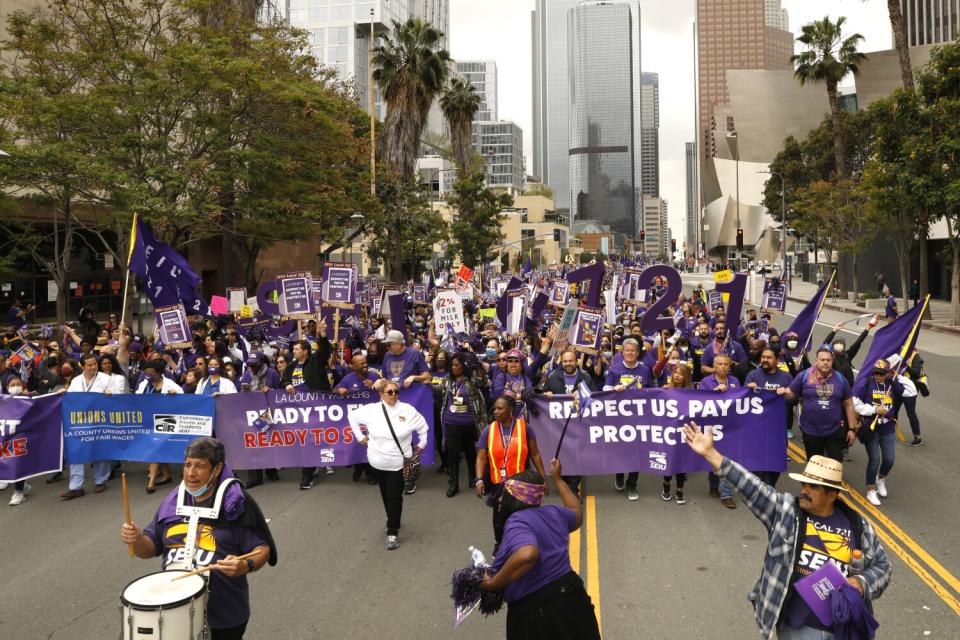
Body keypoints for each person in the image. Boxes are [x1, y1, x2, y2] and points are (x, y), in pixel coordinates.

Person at [682, 422, 891, 640]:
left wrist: (861, 583)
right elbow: (751, 486)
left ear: (832, 495)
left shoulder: (857, 525)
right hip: (798, 628)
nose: (804, 490)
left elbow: (883, 567)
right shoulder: (785, 512)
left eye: (813, 487)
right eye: (804, 484)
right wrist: (711, 454)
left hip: (843, 626)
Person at [119, 437, 276, 640]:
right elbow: (149, 548)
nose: (191, 473)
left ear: (217, 469)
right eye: (187, 465)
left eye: (200, 466)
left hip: (224, 615)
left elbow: (262, 549)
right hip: (174, 609)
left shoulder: (236, 504)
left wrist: (244, 565)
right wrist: (137, 539)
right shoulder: (172, 502)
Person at [478, 461, 601, 640]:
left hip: (537, 612)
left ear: (516, 499)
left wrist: (493, 583)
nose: (499, 499)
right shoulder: (554, 513)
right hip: (573, 598)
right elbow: (576, 511)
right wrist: (558, 479)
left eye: (505, 494)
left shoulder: (517, 521)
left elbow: (528, 554)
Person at [348, 380, 429, 550]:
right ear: (381, 394)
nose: (394, 395)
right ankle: (394, 518)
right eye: (389, 392)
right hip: (376, 461)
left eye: (396, 391)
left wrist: (422, 443)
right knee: (385, 492)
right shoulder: (372, 410)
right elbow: (352, 417)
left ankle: (392, 531)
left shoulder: (407, 410)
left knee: (394, 495)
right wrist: (360, 437)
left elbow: (423, 427)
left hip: (399, 463)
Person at [476, 395, 548, 554]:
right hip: (498, 483)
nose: (495, 411)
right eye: (495, 408)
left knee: (523, 516)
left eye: (500, 408)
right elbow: (481, 457)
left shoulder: (525, 427)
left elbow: (535, 454)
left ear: (510, 410)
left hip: (521, 483)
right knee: (499, 518)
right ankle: (500, 544)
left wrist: (543, 479)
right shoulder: (489, 429)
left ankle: (525, 544)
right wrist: (479, 480)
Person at [778, 347, 858, 463]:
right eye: (822, 359)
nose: (825, 362)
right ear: (816, 361)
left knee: (835, 465)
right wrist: (784, 393)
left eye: (828, 360)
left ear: (832, 361)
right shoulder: (804, 376)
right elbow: (791, 395)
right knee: (815, 466)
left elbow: (849, 404)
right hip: (811, 431)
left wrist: (851, 429)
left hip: (834, 431)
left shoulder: (841, 379)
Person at [853, 359, 914, 507]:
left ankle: (880, 479)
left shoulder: (892, 384)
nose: (879, 376)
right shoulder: (866, 383)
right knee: (874, 459)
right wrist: (874, 410)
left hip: (888, 427)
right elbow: (854, 402)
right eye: (876, 373)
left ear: (888, 373)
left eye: (882, 373)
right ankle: (871, 490)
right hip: (871, 427)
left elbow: (911, 391)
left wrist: (898, 375)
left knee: (889, 459)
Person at [280, 329, 333, 491]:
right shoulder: (291, 366)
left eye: (296, 349)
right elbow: (284, 379)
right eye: (293, 349)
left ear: (305, 351)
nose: (293, 351)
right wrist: (287, 384)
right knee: (307, 441)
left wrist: (323, 335)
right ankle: (310, 469)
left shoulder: (316, 361)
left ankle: (319, 467)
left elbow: (325, 351)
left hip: (317, 407)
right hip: (300, 411)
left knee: (319, 437)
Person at [541, 349, 597, 495]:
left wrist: (583, 396)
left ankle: (572, 490)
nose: (568, 363)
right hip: (559, 426)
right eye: (565, 361)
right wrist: (547, 393)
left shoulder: (585, 377)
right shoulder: (553, 377)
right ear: (561, 362)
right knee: (562, 454)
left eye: (571, 360)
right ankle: (565, 482)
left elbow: (595, 397)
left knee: (576, 456)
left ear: (577, 361)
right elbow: (542, 393)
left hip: (579, 426)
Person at [602, 338, 651, 501]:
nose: (630, 353)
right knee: (621, 451)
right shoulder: (614, 370)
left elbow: (651, 391)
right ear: (622, 352)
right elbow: (605, 389)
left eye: (633, 351)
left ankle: (632, 485)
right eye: (627, 350)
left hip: (639, 419)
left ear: (638, 353)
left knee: (636, 452)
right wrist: (613, 389)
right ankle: (619, 474)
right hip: (619, 419)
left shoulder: (644, 370)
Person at [62, 353, 115, 499]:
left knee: (100, 450)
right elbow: (71, 400)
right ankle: (76, 487)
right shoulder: (76, 381)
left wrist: (111, 394)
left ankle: (100, 480)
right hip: (80, 422)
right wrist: (63, 394)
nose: (93, 367)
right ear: (82, 366)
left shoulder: (106, 379)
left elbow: (118, 397)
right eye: (89, 365)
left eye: (94, 364)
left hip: (100, 420)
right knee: (76, 451)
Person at [436, 352, 488, 497]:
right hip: (451, 421)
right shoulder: (447, 379)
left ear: (464, 365)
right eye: (452, 365)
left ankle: (473, 477)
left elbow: (483, 382)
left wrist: (478, 366)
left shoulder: (471, 379)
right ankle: (453, 483)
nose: (454, 368)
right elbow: (438, 390)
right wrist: (423, 384)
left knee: (471, 451)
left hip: (470, 422)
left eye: (457, 365)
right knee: (452, 453)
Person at [745, 347, 794, 485]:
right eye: (763, 357)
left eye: (769, 357)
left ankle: (770, 488)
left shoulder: (786, 377)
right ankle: (758, 491)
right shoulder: (753, 375)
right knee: (756, 466)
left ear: (777, 360)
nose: (765, 360)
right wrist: (748, 389)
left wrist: (786, 393)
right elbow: (742, 400)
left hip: (777, 430)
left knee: (775, 464)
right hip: (756, 429)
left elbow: (793, 400)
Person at [136, 360, 183, 493]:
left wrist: (175, 395)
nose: (148, 375)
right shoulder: (144, 384)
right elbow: (136, 398)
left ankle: (151, 483)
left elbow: (183, 399)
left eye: (151, 373)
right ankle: (166, 475)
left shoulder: (169, 384)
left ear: (159, 373)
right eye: (146, 373)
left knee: (154, 447)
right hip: (148, 420)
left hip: (165, 420)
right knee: (157, 447)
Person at [661, 363, 693, 505]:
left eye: (681, 373)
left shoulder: (693, 392)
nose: (677, 375)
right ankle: (666, 485)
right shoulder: (665, 390)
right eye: (675, 373)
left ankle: (680, 489)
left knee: (681, 462)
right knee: (669, 460)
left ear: (686, 377)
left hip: (684, 431)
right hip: (669, 431)